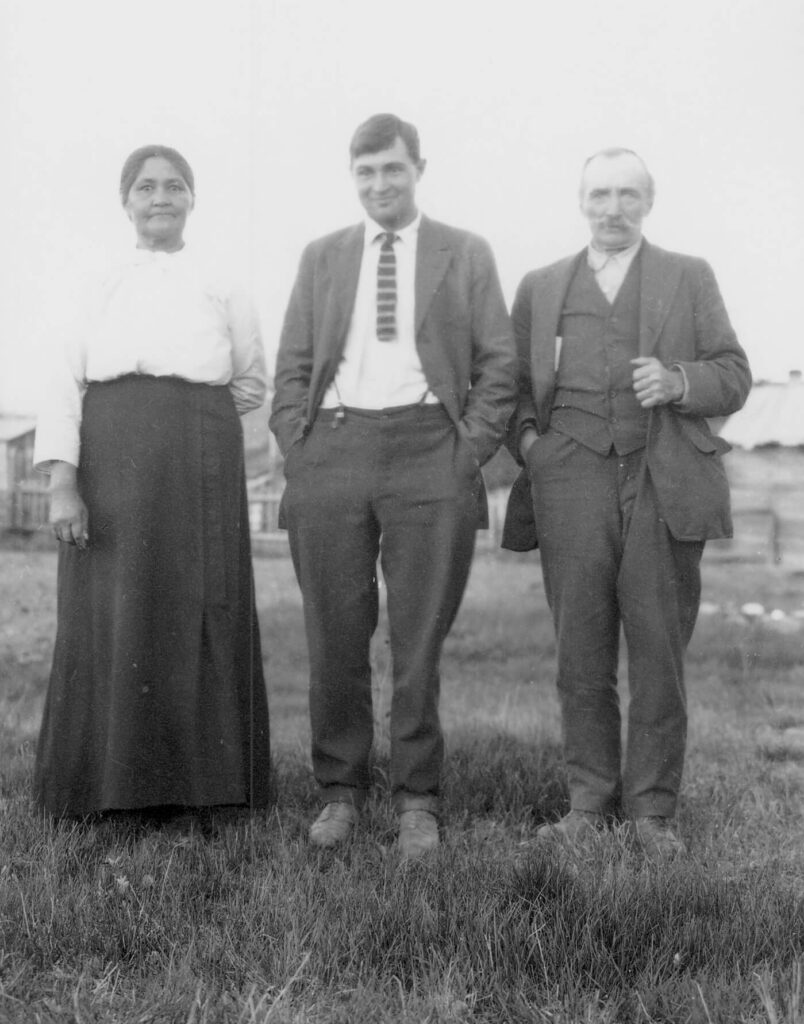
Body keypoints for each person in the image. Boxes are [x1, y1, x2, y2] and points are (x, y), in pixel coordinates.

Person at [270, 113, 515, 858]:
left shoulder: (464, 253)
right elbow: (292, 365)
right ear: (355, 178)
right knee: (335, 635)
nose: (379, 185)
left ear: (419, 169)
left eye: (393, 170)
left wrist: (464, 450)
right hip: (335, 451)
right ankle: (339, 793)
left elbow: (500, 364)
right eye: (366, 172)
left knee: (418, 640)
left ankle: (417, 798)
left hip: (428, 452)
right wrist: (300, 447)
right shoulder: (323, 256)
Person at [503, 148, 751, 859]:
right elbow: (517, 384)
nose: (613, 209)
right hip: (569, 481)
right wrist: (531, 448)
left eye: (628, 195)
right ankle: (587, 803)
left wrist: (678, 381)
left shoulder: (687, 276)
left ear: (650, 201)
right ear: (581, 200)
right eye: (600, 194)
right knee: (579, 650)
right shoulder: (543, 285)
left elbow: (734, 374)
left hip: (661, 477)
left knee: (657, 650)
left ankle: (651, 813)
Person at [33, 145, 271, 821]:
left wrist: (194, 424)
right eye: (145, 187)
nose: (159, 197)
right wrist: (63, 482)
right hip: (112, 454)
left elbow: (250, 378)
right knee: (116, 610)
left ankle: (206, 792)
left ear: (193, 198)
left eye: (173, 186)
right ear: (125, 201)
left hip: (199, 452)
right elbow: (62, 382)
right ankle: (108, 792)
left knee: (202, 607)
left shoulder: (222, 280)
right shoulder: (95, 279)